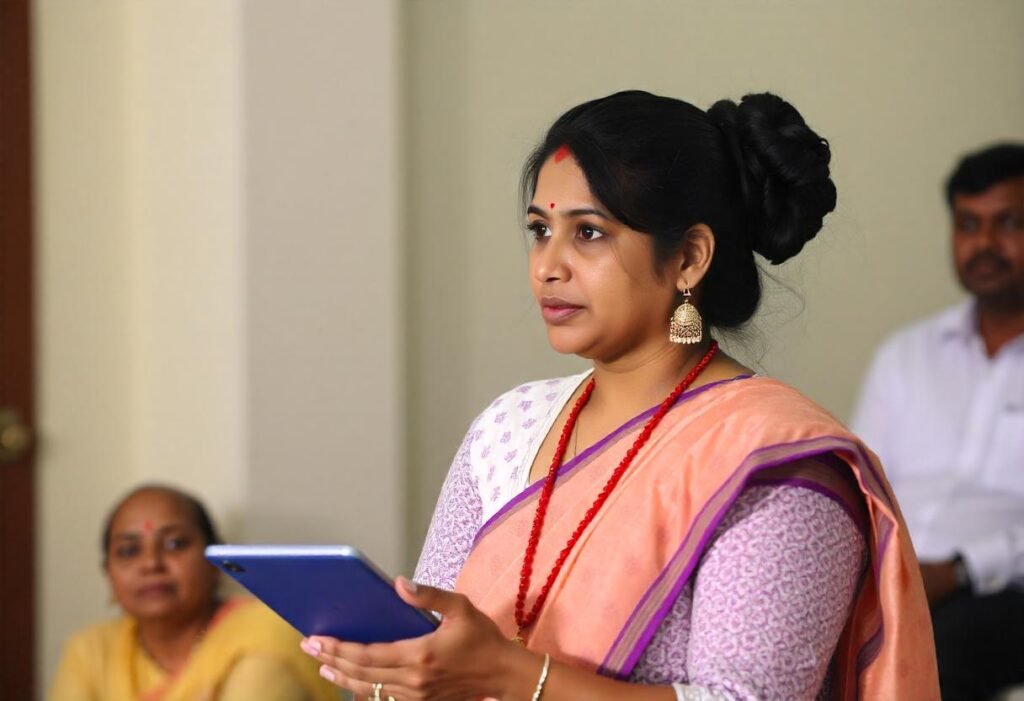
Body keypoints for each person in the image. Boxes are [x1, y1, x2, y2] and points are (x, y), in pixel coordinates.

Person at [302, 90, 938, 700]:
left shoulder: (772, 461)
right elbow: (436, 643)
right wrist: (394, 673)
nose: (547, 265)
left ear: (689, 257)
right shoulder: (509, 429)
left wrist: (508, 675)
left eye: (589, 233)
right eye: (538, 229)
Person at [851, 143, 1024, 701]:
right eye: (969, 224)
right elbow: (863, 490)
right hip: (894, 576)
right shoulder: (906, 354)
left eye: (1010, 224)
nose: (985, 245)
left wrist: (963, 569)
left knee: (937, 649)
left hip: (1000, 592)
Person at [49, 484, 337, 701]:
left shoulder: (266, 630)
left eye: (174, 544)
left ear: (217, 561)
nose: (151, 564)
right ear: (107, 574)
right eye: (129, 550)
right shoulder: (92, 650)